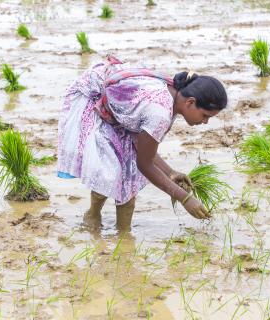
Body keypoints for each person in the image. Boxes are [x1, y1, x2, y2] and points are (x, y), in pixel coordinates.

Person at [57, 55, 227, 232]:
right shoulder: (160, 113)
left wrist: (171, 173)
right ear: (190, 102)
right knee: (109, 172)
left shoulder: (174, 97)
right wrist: (185, 198)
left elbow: (144, 147)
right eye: (205, 115)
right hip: (94, 100)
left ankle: (124, 235)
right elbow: (144, 164)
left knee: (127, 181)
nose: (205, 122)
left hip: (121, 109)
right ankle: (93, 214)